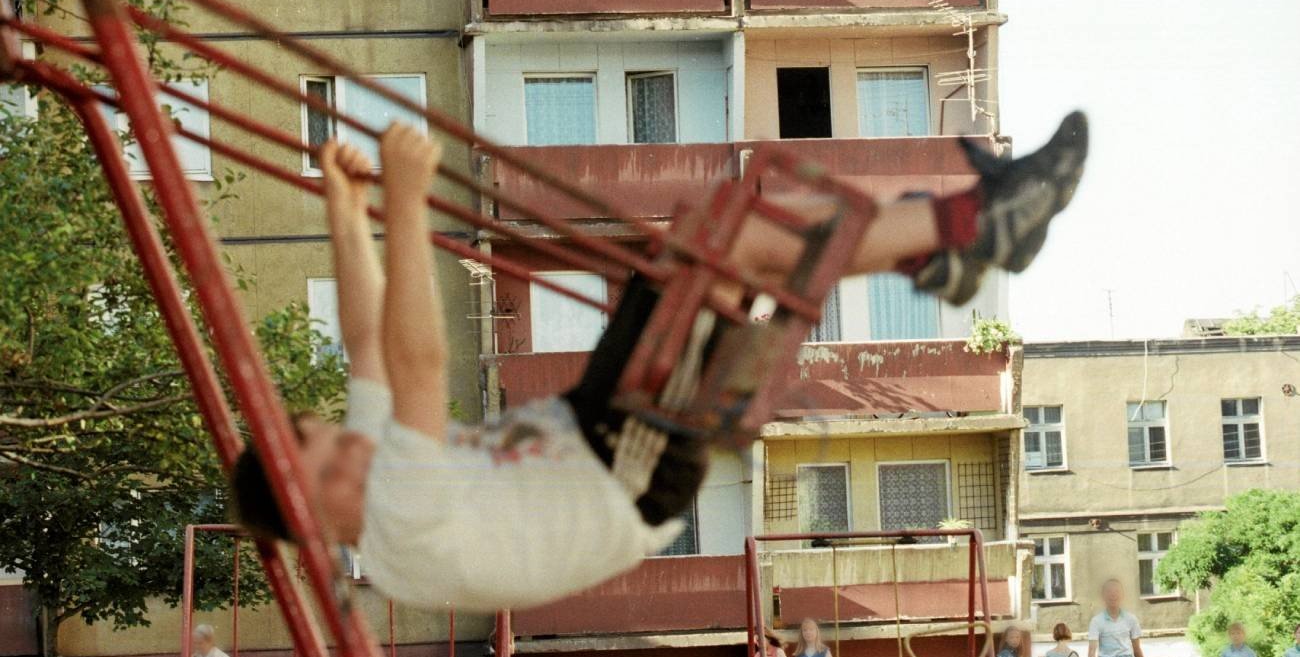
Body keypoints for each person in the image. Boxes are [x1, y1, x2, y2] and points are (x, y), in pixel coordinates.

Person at [229, 114, 1088, 613]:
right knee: (726, 254)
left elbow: (370, 343)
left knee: (712, 237)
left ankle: (954, 236)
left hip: (593, 420)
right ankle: (965, 231)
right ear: (317, 523)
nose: (355, 444)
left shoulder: (371, 470)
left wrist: (346, 207)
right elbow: (419, 362)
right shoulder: (396, 522)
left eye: (332, 434)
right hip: (623, 470)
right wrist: (407, 204)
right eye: (333, 460)